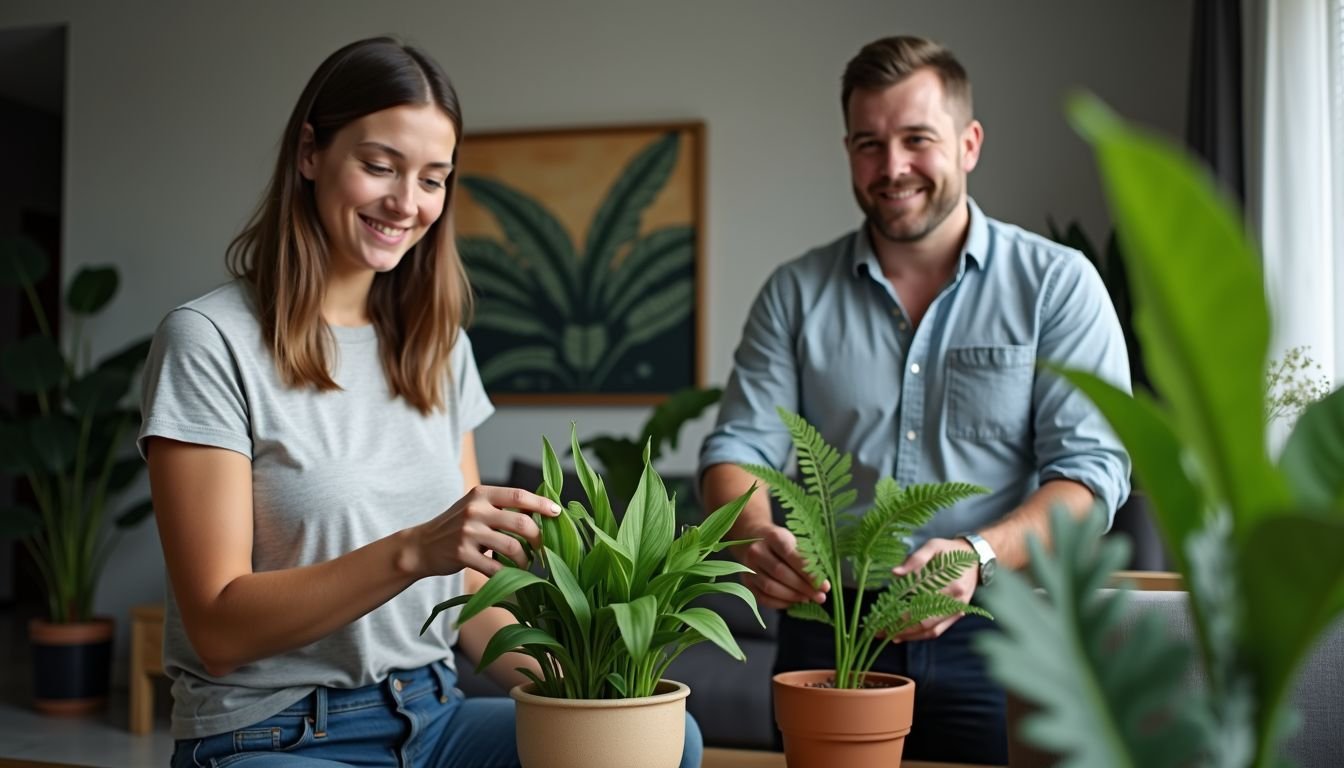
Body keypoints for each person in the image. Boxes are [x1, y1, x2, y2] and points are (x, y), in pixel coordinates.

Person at [140, 37, 702, 768]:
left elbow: (468, 580)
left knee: (662, 746)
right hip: (274, 734)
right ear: (310, 153)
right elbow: (218, 625)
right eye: (380, 166)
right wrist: (413, 550)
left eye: (433, 179)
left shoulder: (438, 349)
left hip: (435, 719)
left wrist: (595, 693)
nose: (407, 203)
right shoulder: (210, 341)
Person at [698, 35, 1131, 765]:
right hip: (826, 627)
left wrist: (974, 555)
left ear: (968, 143)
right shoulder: (795, 293)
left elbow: (1093, 475)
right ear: (847, 150)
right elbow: (737, 448)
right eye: (869, 143)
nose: (892, 167)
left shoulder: (1058, 284)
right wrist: (753, 538)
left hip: (1003, 626)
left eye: (917, 139)